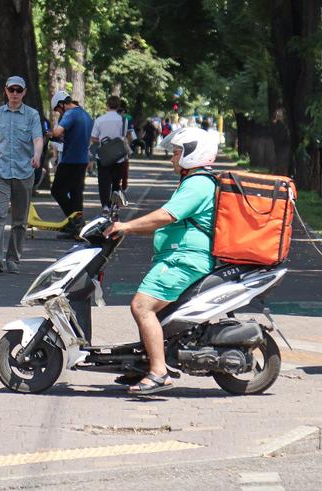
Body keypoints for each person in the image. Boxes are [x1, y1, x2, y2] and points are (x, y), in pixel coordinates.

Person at [104, 127, 218, 394]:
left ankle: (158, 372)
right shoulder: (193, 181)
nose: (171, 158)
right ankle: (147, 362)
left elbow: (166, 216)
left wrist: (127, 227)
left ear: (192, 154)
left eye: (176, 153)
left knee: (142, 306)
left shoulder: (198, 184)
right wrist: (127, 227)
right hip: (180, 255)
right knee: (154, 309)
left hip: (187, 259)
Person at [0, 76, 44, 274]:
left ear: (24, 92)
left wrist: (37, 155)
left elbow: (38, 138)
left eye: (18, 90)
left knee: (19, 220)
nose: (14, 93)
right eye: (11, 89)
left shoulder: (32, 115)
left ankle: (13, 258)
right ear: (5, 91)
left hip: (24, 172)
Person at [48, 90, 93, 239]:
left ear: (62, 104)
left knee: (57, 190)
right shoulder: (85, 115)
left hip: (69, 160)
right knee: (76, 193)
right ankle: (76, 228)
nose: (58, 112)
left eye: (57, 109)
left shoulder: (70, 114)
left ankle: (75, 222)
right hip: (82, 160)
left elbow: (57, 132)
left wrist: (51, 133)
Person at [91, 96, 133, 214]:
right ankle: (115, 204)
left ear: (107, 105)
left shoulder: (99, 120)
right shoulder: (124, 120)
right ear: (118, 106)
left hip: (103, 155)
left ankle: (105, 205)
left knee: (103, 181)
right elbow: (126, 136)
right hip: (119, 156)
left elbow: (94, 137)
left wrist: (101, 141)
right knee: (116, 182)